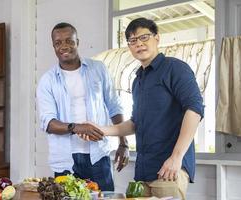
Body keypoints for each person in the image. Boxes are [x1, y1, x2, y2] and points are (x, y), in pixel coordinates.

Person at [83, 18, 204, 199]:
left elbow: (194, 110)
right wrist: (101, 130)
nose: (138, 43)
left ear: (157, 38)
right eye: (132, 41)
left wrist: (176, 158)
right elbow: (134, 124)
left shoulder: (175, 68)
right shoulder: (138, 80)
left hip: (168, 170)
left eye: (144, 37)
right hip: (143, 173)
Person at [36, 22, 129, 191]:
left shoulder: (98, 69)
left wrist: (124, 143)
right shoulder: (47, 80)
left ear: (77, 42)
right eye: (58, 43)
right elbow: (48, 123)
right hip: (65, 160)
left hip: (98, 155)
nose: (64, 46)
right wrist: (79, 128)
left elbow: (114, 106)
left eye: (69, 41)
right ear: (53, 46)